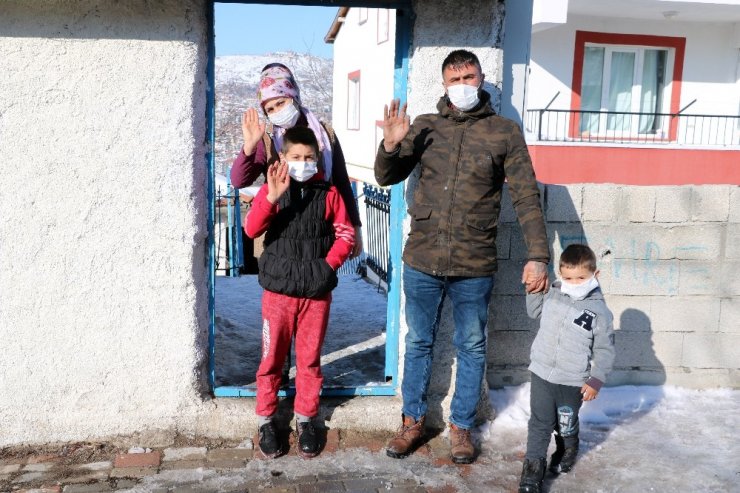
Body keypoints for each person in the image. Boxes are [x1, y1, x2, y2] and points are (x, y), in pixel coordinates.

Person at [374, 49, 550, 464]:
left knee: (471, 346)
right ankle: (412, 421)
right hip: (423, 257)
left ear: (481, 78)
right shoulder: (425, 126)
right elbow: (387, 176)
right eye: (455, 80)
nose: (462, 86)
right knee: (418, 341)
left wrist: (538, 254)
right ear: (443, 84)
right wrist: (390, 144)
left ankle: (461, 427)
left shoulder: (504, 131)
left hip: (474, 262)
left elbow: (526, 195)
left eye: (469, 77)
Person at [245, 126, 355, 459]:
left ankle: (307, 419)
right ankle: (267, 419)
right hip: (278, 292)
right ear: (284, 158)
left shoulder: (330, 192)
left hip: (315, 292)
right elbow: (251, 228)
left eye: (309, 157)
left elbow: (346, 236)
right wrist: (271, 198)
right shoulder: (273, 188)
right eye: (296, 157)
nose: (303, 163)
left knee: (309, 360)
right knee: (271, 359)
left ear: (317, 158)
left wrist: (326, 267)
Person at [231, 62, 362, 258]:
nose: (277, 111)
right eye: (270, 109)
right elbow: (239, 181)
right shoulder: (266, 139)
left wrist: (355, 227)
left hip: (320, 238)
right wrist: (249, 148)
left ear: (294, 97)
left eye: (281, 102)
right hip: (280, 241)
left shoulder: (325, 134)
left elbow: (341, 182)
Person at [518, 243, 615, 493]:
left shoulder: (600, 312)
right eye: (568, 278)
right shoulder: (553, 294)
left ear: (595, 275)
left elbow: (605, 350)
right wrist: (532, 290)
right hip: (541, 373)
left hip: (572, 381)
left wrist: (595, 380)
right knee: (539, 423)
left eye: (581, 278)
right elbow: (533, 312)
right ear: (561, 275)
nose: (574, 283)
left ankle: (567, 448)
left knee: (565, 425)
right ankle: (531, 473)